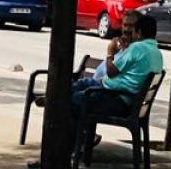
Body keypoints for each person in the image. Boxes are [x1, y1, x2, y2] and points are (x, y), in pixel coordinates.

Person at [65, 10, 163, 165]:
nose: (129, 31)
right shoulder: (157, 53)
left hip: (118, 100)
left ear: (139, 32)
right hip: (119, 95)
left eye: (133, 28)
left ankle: (66, 153)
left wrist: (110, 52)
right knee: (75, 88)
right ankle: (76, 142)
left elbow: (111, 72)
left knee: (71, 101)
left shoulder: (137, 48)